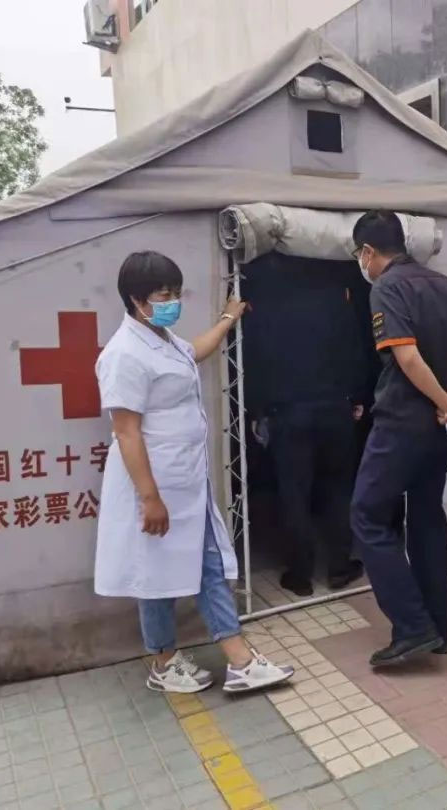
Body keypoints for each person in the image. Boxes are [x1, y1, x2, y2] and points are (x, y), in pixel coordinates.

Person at [94, 250, 294, 694]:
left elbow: (194, 352)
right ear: (136, 299)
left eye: (175, 293)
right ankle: (174, 661)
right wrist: (149, 497)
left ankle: (232, 660)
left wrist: (227, 318)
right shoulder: (124, 354)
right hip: (154, 485)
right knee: (157, 575)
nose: (172, 302)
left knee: (201, 565)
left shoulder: (163, 339)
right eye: (163, 295)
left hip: (185, 483)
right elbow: (126, 431)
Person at [349, 211, 447, 667]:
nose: (361, 263)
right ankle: (437, 629)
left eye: (359, 254)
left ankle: (411, 626)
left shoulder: (386, 287)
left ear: (368, 252)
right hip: (440, 431)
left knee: (367, 516)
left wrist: (444, 400)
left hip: (401, 425)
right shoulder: (443, 283)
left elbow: (406, 356)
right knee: (426, 517)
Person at [241, 254, 371, 597]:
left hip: (288, 413)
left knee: (293, 493)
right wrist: (358, 398)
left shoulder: (266, 304)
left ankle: (300, 575)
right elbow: (355, 352)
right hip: (335, 409)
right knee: (338, 489)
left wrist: (257, 410)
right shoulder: (336, 298)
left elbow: (254, 361)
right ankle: (339, 567)